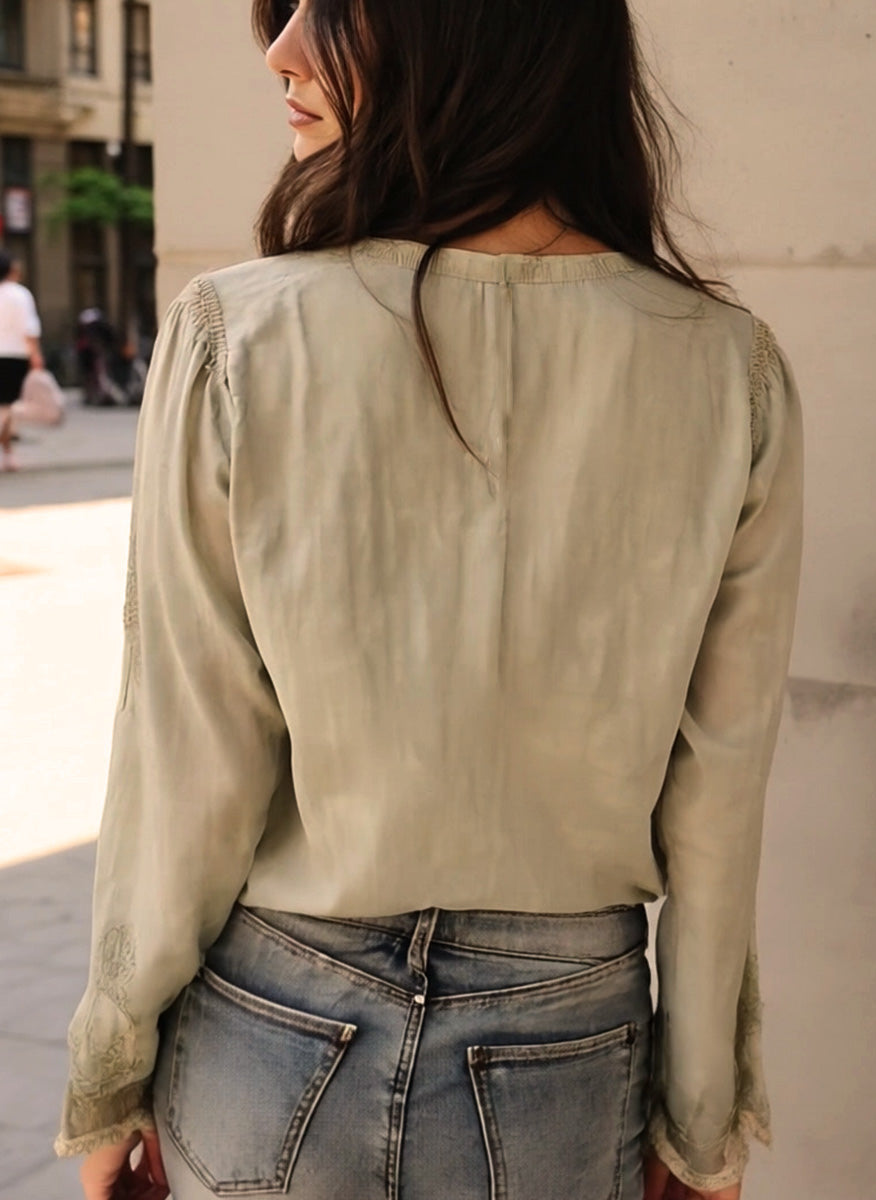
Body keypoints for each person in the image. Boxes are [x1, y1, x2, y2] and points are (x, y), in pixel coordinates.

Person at [57, 2, 804, 1199]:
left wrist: (109, 1067)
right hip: (569, 1050)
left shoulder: (236, 338)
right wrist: (701, 1120)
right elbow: (719, 802)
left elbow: (187, 763)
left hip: (273, 1033)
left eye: (331, 9)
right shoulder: (730, 368)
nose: (281, 51)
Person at [0, 251, 44, 471]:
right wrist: (36, 355)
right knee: (7, 406)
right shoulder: (20, 294)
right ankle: (7, 453)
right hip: (14, 356)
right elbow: (29, 329)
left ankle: (7, 452)